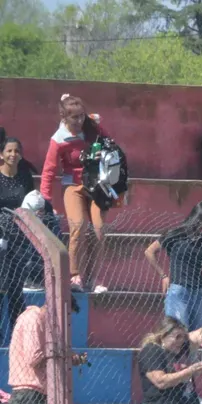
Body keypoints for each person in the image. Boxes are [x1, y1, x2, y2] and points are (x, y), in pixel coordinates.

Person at [40, 95, 112, 293]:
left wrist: (100, 137)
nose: (79, 121)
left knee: (98, 230)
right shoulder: (59, 139)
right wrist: (45, 199)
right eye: (75, 118)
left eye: (82, 116)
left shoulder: (91, 127)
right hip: (73, 185)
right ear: (64, 117)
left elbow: (109, 143)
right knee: (78, 225)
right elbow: (49, 170)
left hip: (96, 184)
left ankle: (93, 279)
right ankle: (74, 276)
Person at [6, 298, 86, 404]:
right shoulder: (33, 318)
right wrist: (63, 354)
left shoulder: (46, 327)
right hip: (29, 393)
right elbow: (34, 357)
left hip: (40, 394)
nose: (64, 323)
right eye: (65, 316)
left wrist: (69, 358)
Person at [144, 202, 202, 333]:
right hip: (179, 289)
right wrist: (163, 275)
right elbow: (149, 251)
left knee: (197, 335)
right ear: (195, 218)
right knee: (177, 332)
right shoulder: (176, 235)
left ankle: (192, 355)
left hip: (198, 291)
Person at [0, 137, 41, 342]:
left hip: (19, 240)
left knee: (16, 290)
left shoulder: (25, 177)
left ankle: (19, 339)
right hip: (0, 240)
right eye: (8, 151)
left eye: (16, 151)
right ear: (1, 154)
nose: (12, 154)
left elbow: (30, 204)